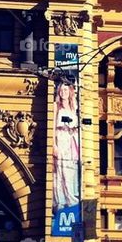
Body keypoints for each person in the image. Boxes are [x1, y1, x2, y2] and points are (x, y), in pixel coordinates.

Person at [52, 79, 81, 212]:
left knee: (71, 172)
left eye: (66, 90)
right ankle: (61, 202)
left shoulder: (74, 108)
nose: (63, 92)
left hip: (72, 141)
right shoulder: (56, 106)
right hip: (61, 139)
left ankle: (72, 201)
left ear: (70, 92)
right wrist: (53, 145)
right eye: (61, 90)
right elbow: (52, 127)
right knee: (60, 173)